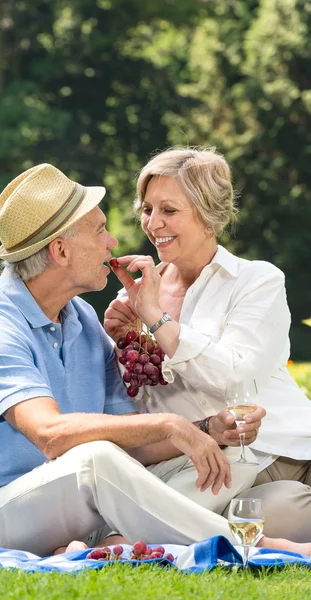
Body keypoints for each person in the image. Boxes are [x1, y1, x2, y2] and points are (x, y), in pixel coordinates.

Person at [0, 163, 310, 559]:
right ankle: (266, 548)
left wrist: (205, 429)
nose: (113, 241)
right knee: (97, 459)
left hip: (82, 506)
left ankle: (109, 543)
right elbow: (49, 434)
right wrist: (172, 423)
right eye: (99, 231)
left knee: (285, 500)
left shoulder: (80, 318)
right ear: (60, 251)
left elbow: (132, 441)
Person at [104, 146, 311, 543]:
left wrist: (156, 319)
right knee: (279, 508)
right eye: (147, 209)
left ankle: (125, 540)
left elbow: (234, 373)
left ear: (209, 214)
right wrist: (121, 344)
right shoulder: (141, 292)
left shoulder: (257, 281)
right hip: (189, 460)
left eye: (169, 210)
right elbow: (139, 405)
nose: (153, 223)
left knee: (260, 488)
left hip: (270, 451)